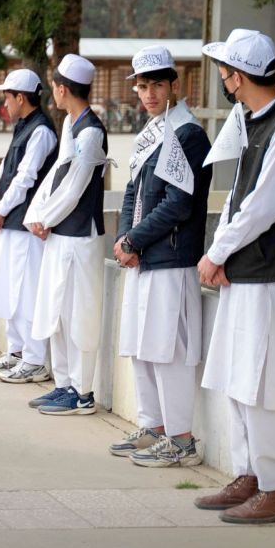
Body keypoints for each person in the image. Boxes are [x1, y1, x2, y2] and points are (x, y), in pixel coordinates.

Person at [196, 29, 275, 523]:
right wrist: (222, 255)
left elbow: (263, 208)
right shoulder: (250, 118)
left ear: (237, 76)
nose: (220, 77)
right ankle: (250, 475)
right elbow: (238, 198)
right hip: (244, 272)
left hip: (271, 277)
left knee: (264, 382)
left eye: (223, 69)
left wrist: (215, 253)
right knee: (239, 378)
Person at [109, 45, 212, 467]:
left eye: (157, 85)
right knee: (141, 347)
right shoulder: (152, 131)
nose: (149, 93)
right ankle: (153, 425)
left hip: (169, 261)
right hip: (143, 258)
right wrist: (124, 239)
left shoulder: (187, 133)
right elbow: (133, 191)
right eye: (143, 86)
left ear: (175, 85)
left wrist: (133, 241)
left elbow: (178, 204)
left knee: (167, 351)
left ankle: (181, 438)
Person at [23, 54, 108, 416]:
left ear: (62, 89)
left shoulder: (91, 132)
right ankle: (64, 385)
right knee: (56, 310)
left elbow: (75, 188)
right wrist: (37, 216)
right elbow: (57, 173)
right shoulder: (72, 125)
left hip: (80, 237)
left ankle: (83, 392)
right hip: (60, 234)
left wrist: (46, 218)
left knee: (79, 315)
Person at [0, 69, 58, 381]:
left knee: (27, 292)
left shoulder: (41, 131)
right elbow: (6, 171)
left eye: (7, 97)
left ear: (21, 98)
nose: (5, 104)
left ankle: (35, 359)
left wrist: (2, 208)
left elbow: (26, 177)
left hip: (27, 223)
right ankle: (16, 352)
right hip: (12, 221)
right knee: (11, 290)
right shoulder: (24, 127)